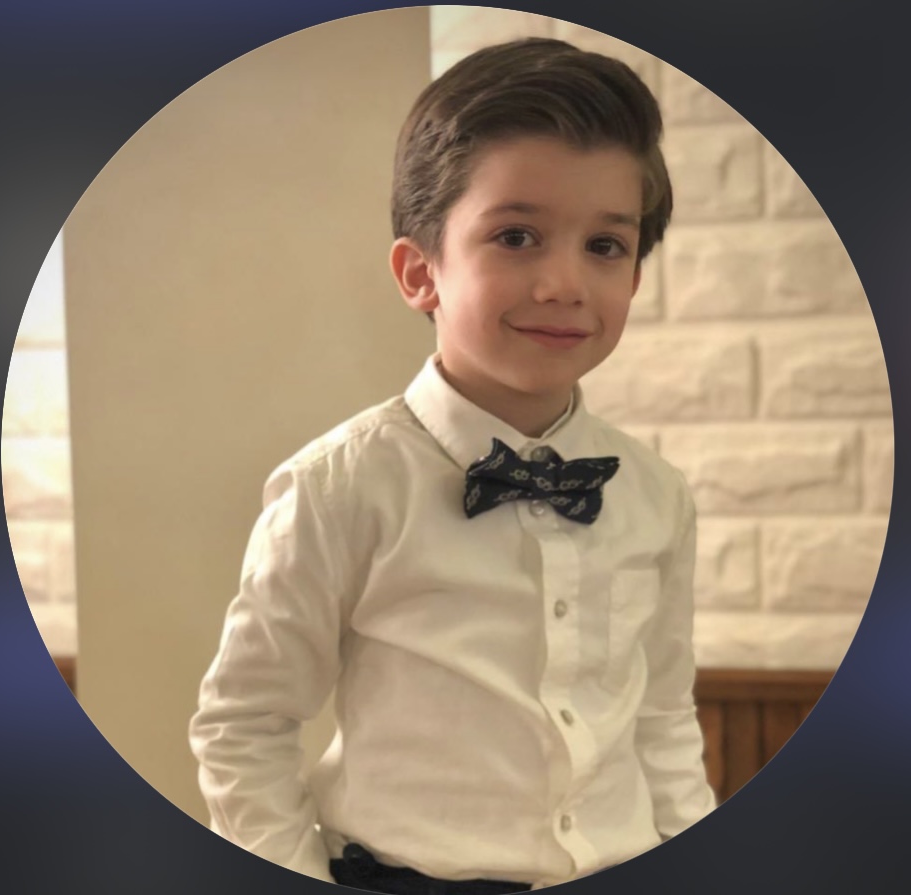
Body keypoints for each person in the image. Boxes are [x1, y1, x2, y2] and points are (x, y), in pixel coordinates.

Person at [189, 36, 717, 893]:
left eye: (605, 245)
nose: (564, 282)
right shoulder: (339, 487)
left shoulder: (656, 494)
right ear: (420, 272)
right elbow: (245, 723)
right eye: (517, 236)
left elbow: (661, 717)